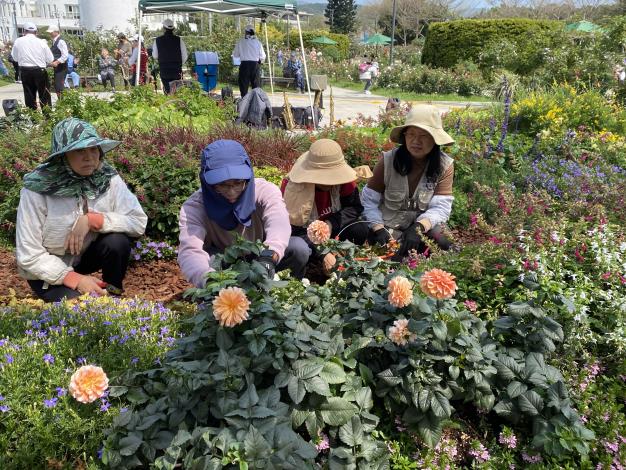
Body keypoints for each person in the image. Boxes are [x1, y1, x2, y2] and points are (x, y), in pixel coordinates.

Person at [15, 118, 148, 302]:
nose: (89, 157)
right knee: (83, 305)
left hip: (84, 256)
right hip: (46, 272)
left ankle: (113, 293)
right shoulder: (37, 189)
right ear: (62, 156)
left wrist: (93, 221)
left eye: (94, 149)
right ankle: (82, 294)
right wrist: (75, 279)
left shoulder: (106, 177)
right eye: (79, 151)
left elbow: (138, 221)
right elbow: (29, 255)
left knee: (117, 242)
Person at [178, 140, 309, 286]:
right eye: (222, 185)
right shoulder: (195, 207)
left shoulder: (264, 191)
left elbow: (279, 224)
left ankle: (285, 292)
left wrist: (269, 256)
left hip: (262, 256)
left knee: (298, 248)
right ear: (207, 182)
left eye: (238, 183)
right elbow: (190, 250)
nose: (232, 192)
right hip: (224, 262)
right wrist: (208, 280)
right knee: (208, 261)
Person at [361, 105, 455, 261]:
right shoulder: (387, 161)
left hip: (422, 228)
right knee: (387, 252)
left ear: (435, 139)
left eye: (424, 135)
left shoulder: (444, 166)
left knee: (443, 238)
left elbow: (441, 207)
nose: (416, 141)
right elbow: (368, 201)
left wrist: (419, 227)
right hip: (387, 226)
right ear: (404, 136)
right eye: (411, 134)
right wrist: (378, 228)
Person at [281, 139, 371, 275]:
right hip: (304, 236)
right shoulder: (292, 189)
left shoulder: (344, 181)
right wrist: (323, 252)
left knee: (360, 229)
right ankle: (311, 266)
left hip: (332, 232)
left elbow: (354, 208)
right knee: (299, 249)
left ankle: (338, 260)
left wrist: (330, 224)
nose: (329, 183)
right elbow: (292, 229)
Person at [10, 22, 53, 110]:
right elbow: (50, 59)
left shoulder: (18, 41)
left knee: (29, 95)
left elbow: (15, 58)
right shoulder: (41, 42)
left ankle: (33, 118)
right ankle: (48, 117)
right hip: (39, 70)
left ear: (24, 31)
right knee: (44, 94)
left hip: (25, 70)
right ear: (36, 32)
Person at [151, 19, 188, 94]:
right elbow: (185, 56)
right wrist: (178, 64)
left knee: (168, 92)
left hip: (164, 70)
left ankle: (169, 103)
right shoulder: (179, 40)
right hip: (176, 70)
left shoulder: (157, 40)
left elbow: (155, 56)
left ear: (164, 28)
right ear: (173, 29)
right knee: (177, 92)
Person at [232, 24, 266, 98]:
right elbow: (263, 56)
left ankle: (244, 102)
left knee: (243, 85)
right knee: (256, 85)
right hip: (255, 65)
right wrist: (260, 62)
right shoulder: (258, 42)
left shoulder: (240, 42)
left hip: (244, 65)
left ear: (246, 32)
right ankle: (256, 102)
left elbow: (235, 55)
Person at [47, 25, 69, 99]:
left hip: (61, 67)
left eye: (51, 32)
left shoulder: (61, 41)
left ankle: (63, 103)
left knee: (59, 86)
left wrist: (56, 62)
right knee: (57, 86)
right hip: (57, 67)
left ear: (56, 32)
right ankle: (61, 102)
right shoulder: (54, 41)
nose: (50, 34)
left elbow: (65, 55)